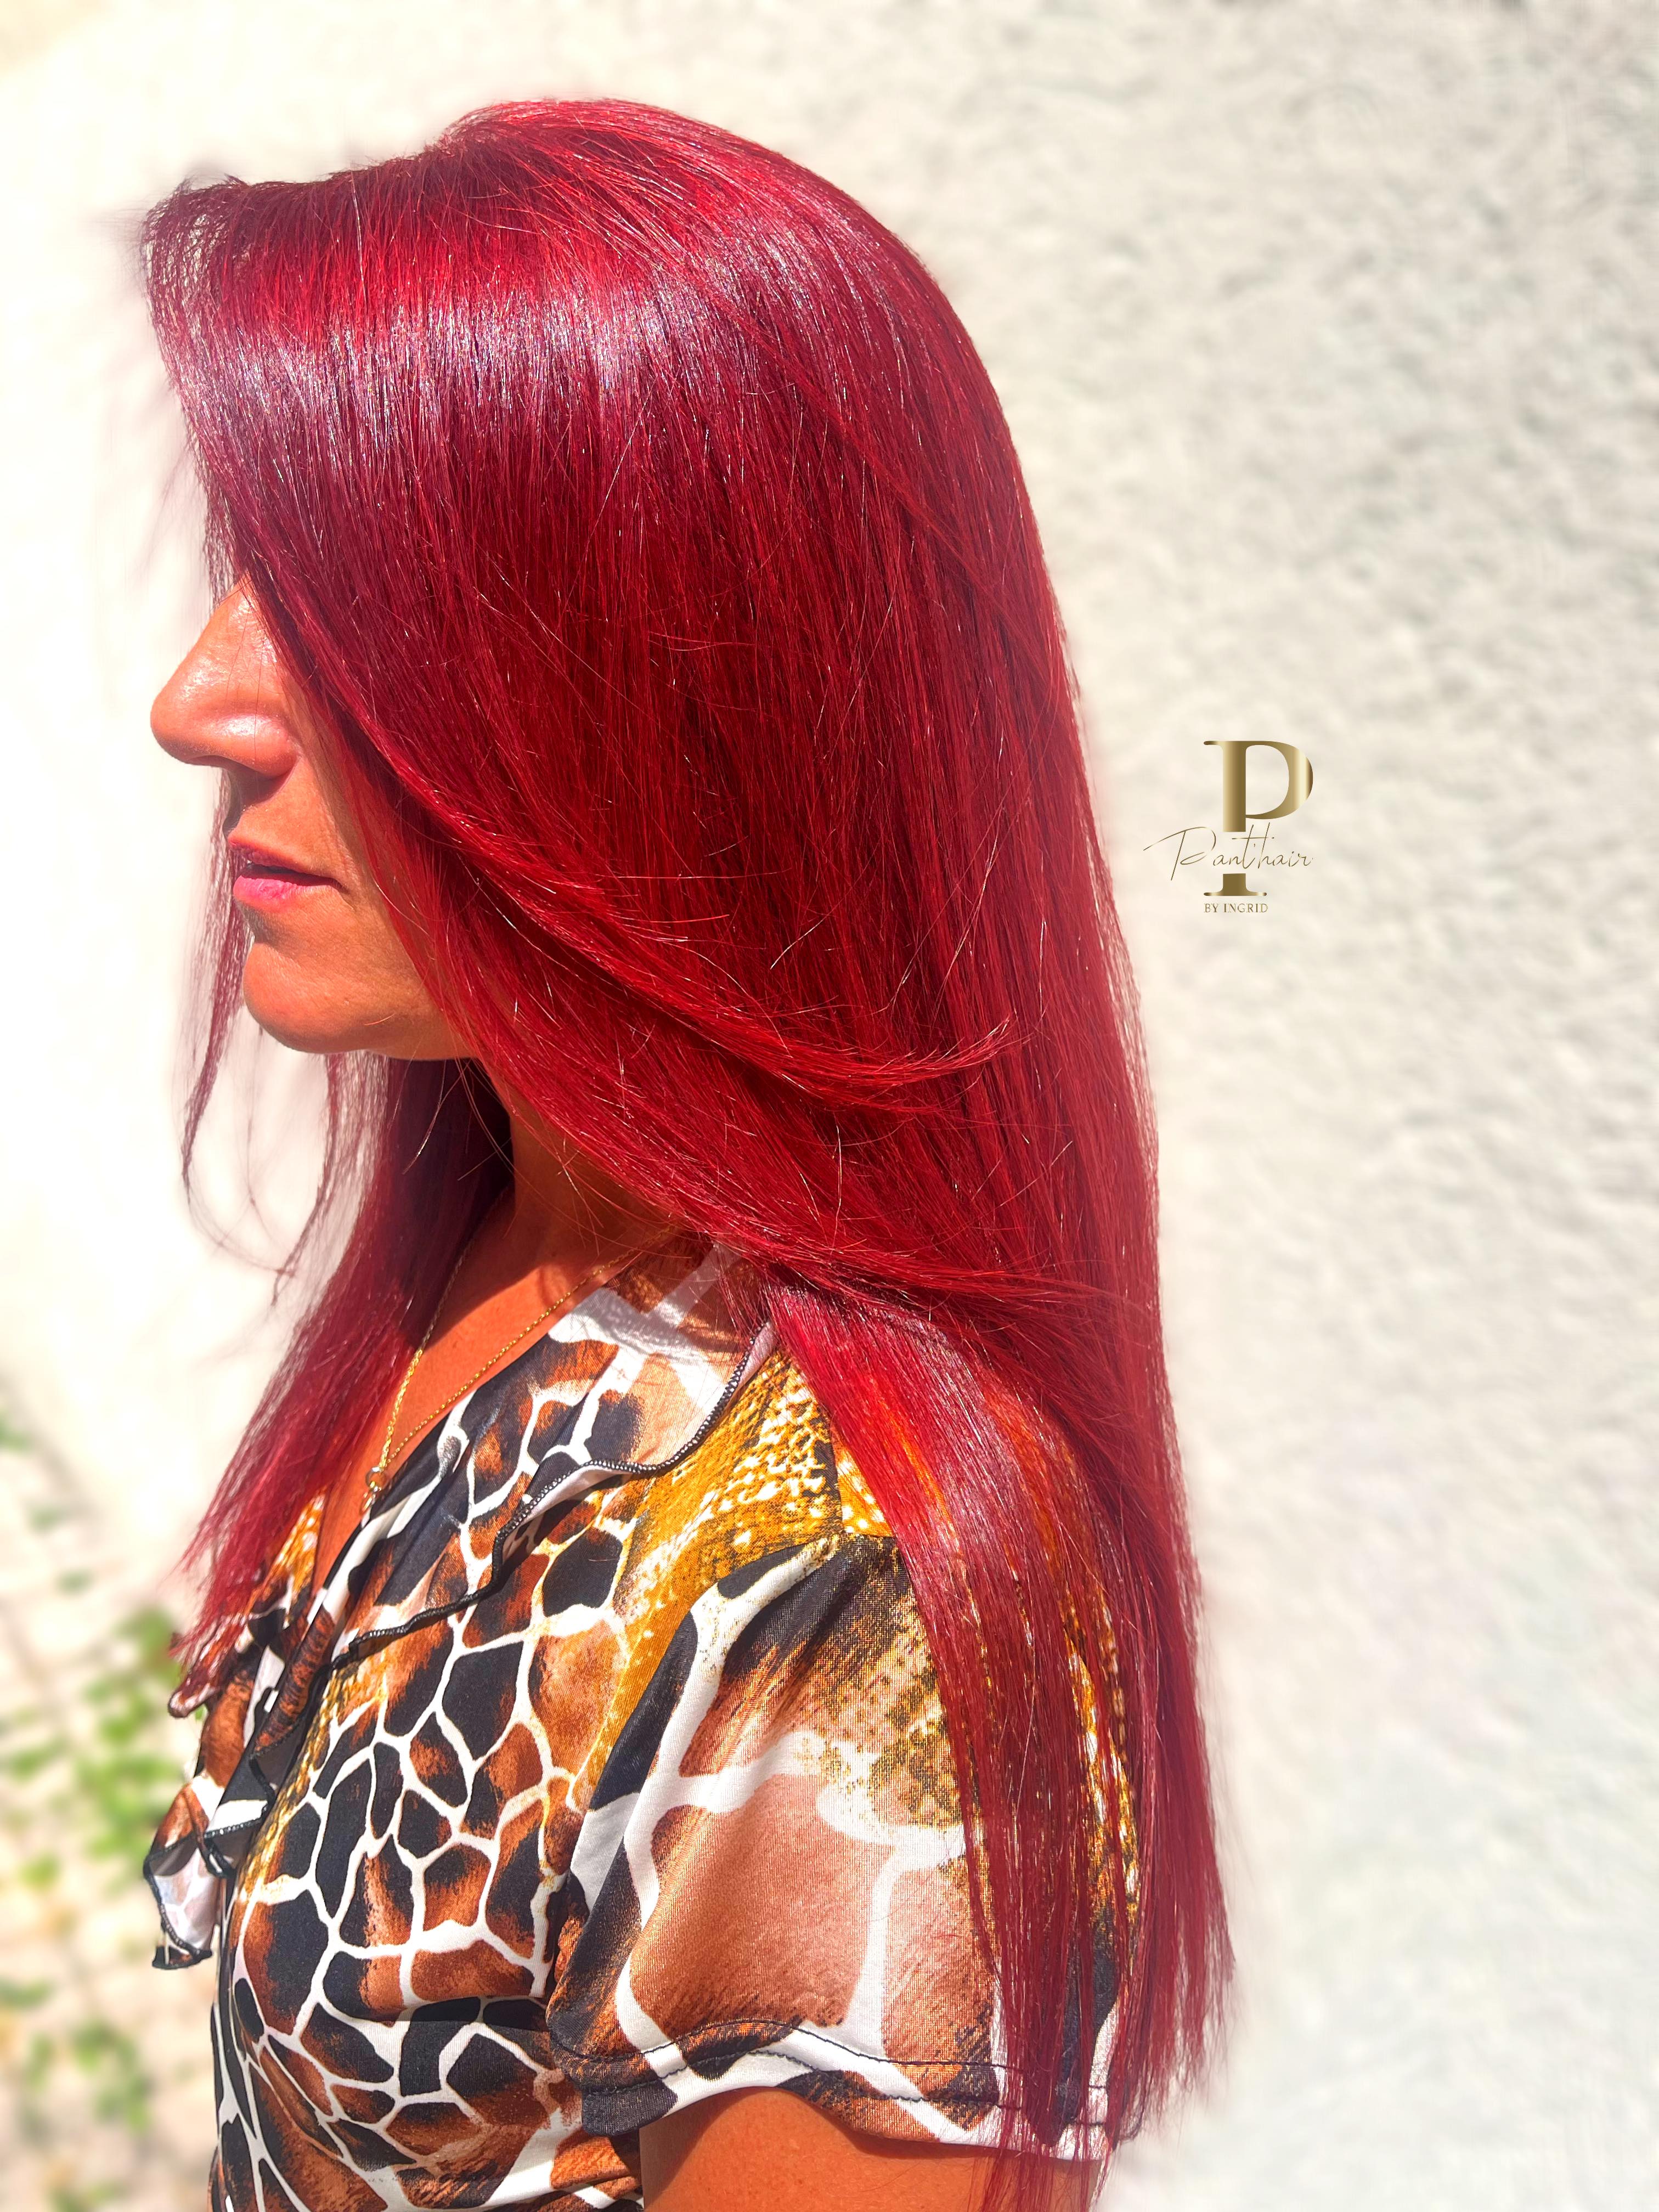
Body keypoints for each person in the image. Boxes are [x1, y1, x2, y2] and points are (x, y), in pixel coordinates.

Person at [139, 99, 1228, 2212]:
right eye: (254, 575)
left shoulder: (847, 1581)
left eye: (366, 604)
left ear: (694, 697)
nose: (202, 701)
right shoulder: (498, 1233)